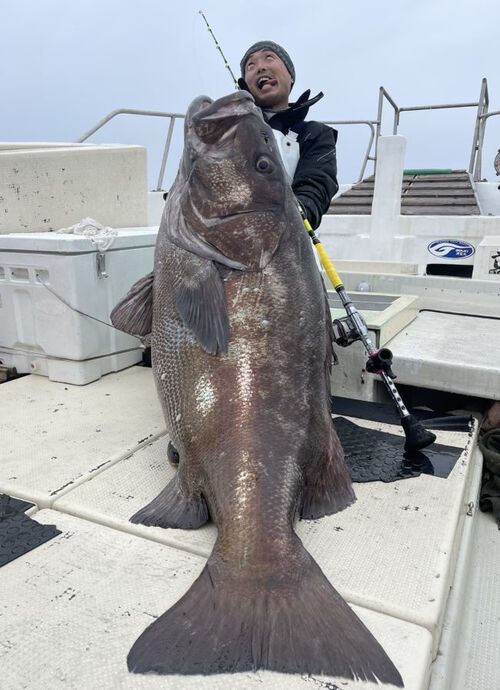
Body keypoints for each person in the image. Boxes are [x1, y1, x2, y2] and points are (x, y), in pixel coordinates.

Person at [238, 40, 339, 230]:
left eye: (269, 58)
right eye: (250, 66)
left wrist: (296, 213)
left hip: (287, 242)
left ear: (291, 76)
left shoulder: (316, 134)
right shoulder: (231, 131)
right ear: (244, 86)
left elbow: (315, 188)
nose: (260, 68)